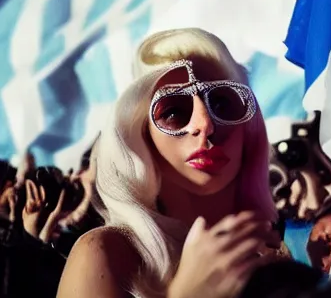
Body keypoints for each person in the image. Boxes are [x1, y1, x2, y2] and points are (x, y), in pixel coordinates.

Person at [57, 28, 285, 298]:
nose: (205, 125)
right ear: (141, 133)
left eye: (222, 104)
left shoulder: (288, 247)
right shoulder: (106, 254)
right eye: (174, 111)